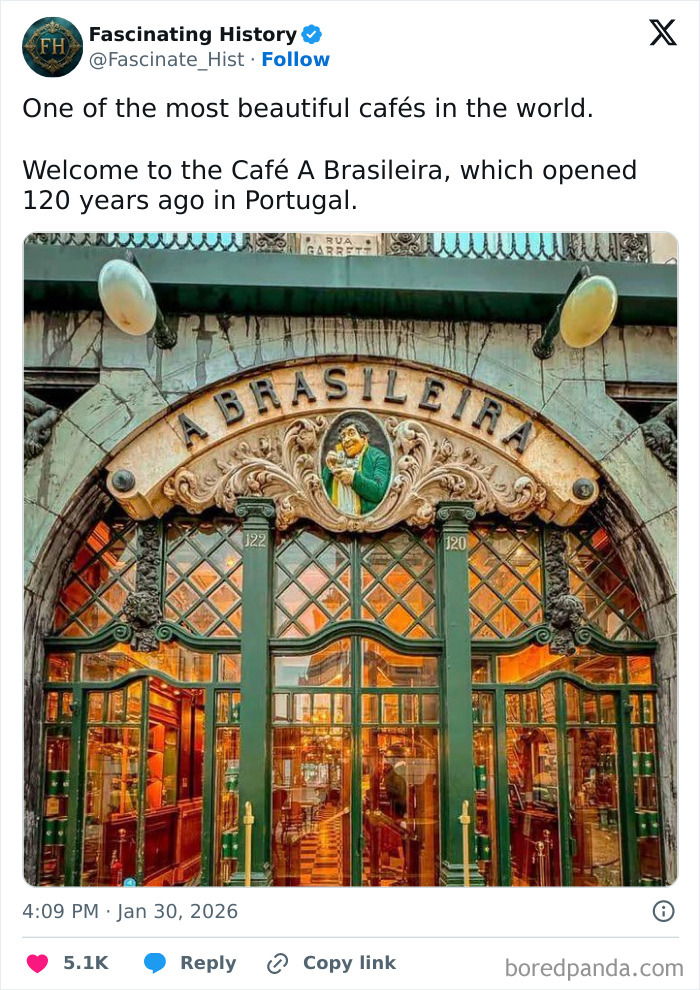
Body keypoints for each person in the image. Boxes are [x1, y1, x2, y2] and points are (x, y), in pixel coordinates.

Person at [322, 419, 391, 515]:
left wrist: (354, 478)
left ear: (364, 438)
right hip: (334, 520)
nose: (345, 440)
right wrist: (329, 468)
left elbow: (378, 492)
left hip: (368, 522)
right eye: (343, 437)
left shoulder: (378, 457)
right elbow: (321, 492)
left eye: (351, 434)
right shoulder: (338, 459)